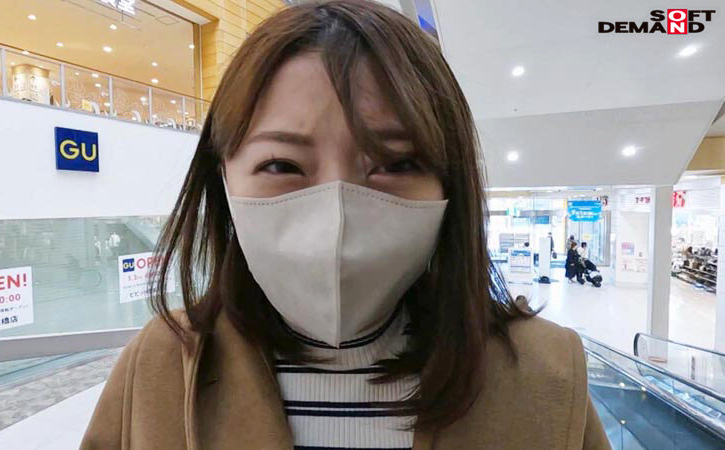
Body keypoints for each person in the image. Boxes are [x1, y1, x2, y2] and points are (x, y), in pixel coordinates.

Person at [81, 2, 608, 449]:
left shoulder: (547, 374)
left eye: (396, 164)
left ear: (450, 186)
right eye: (281, 165)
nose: (337, 216)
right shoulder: (159, 366)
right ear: (223, 180)